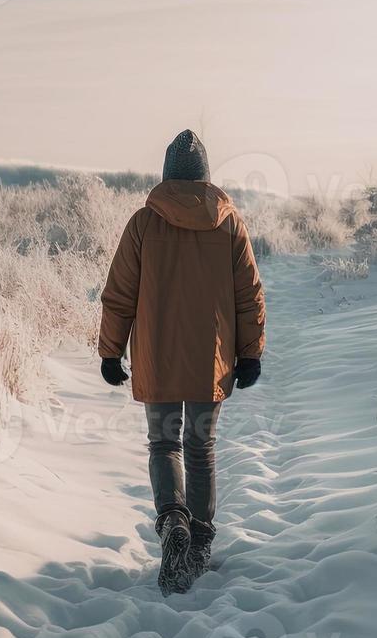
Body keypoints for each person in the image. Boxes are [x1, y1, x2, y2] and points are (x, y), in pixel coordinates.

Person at [97, 130, 267, 595]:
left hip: (158, 356)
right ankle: (200, 541)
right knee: (199, 448)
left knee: (164, 445)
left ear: (167, 175)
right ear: (206, 176)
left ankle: (173, 521)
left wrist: (111, 352)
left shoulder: (142, 224)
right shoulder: (229, 223)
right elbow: (249, 295)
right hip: (210, 359)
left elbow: (119, 296)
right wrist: (250, 353)